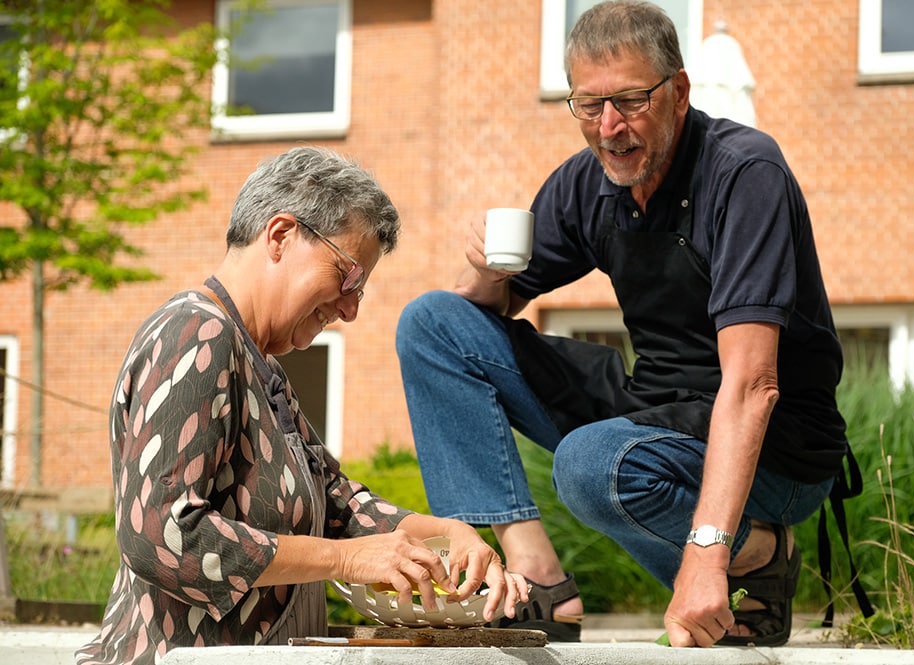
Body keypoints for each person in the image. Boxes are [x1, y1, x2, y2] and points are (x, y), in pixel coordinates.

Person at [395, 0, 853, 648]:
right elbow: (480, 317)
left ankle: (757, 561)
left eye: (632, 100)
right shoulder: (588, 185)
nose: (610, 127)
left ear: (680, 91)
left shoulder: (745, 174)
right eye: (589, 104)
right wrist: (484, 270)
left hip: (778, 450)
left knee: (589, 463)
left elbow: (753, 384)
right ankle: (538, 577)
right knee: (431, 323)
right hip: (657, 412)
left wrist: (706, 552)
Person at [76, 146, 527, 665]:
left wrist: (445, 534)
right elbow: (159, 534)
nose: (351, 308)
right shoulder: (196, 333)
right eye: (350, 275)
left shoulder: (260, 364)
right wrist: (343, 561)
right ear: (281, 236)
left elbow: (338, 506)